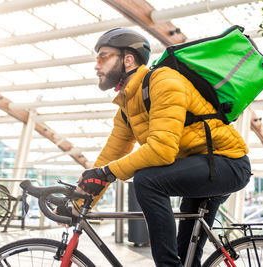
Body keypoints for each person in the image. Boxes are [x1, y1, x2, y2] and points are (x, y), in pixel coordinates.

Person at [69, 28, 251, 267]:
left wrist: (107, 172)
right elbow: (110, 155)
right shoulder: (127, 107)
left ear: (128, 59)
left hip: (227, 163)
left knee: (147, 180)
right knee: (187, 258)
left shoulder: (163, 81)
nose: (96, 65)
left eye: (103, 56)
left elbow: (161, 150)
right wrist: (80, 203)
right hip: (201, 166)